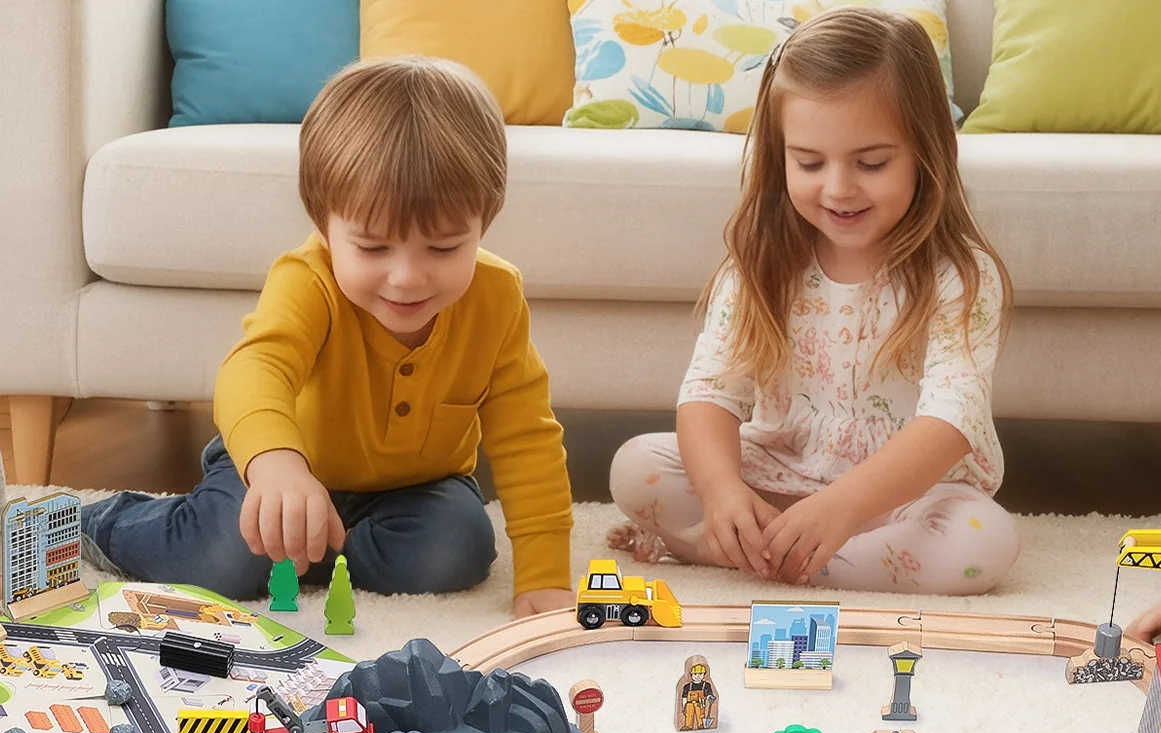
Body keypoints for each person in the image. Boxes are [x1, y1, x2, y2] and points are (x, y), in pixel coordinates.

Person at [80, 56, 574, 620]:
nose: (408, 277)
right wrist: (276, 466)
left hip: (415, 488)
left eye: (444, 249)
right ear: (324, 223)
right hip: (281, 468)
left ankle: (303, 550)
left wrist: (545, 572)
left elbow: (527, 435)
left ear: (484, 223)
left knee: (456, 547)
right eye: (372, 248)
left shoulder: (498, 296)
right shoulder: (307, 279)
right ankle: (109, 519)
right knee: (223, 561)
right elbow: (254, 370)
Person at [609, 9, 1021, 595]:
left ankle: (760, 557)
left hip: (904, 499)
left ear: (929, 152)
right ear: (779, 158)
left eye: (871, 163)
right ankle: (776, 546)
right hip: (781, 477)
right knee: (638, 467)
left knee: (983, 541)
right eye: (808, 162)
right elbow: (709, 393)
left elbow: (951, 421)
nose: (838, 188)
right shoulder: (760, 264)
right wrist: (725, 492)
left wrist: (844, 509)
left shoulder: (959, 275)